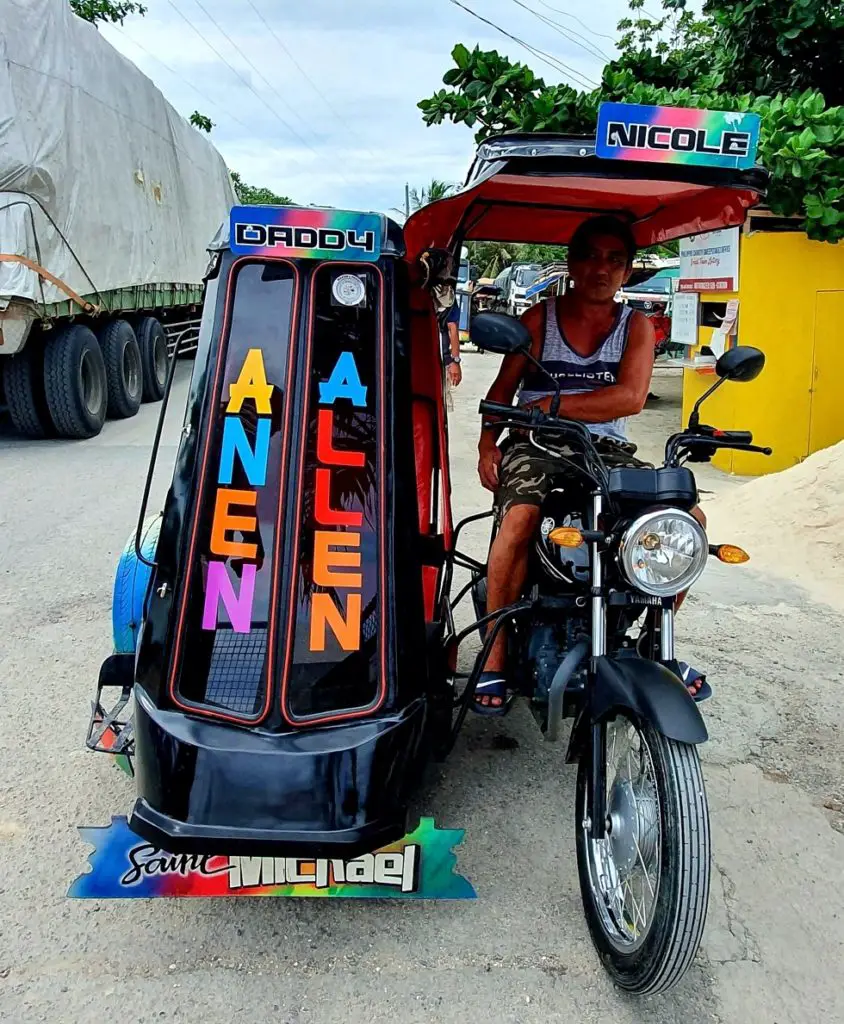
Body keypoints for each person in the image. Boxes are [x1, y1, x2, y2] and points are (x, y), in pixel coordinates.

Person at [474, 215, 707, 714]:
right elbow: (499, 393)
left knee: (686, 522)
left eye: (615, 260)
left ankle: (655, 642)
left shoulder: (636, 325)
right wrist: (487, 445)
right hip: (535, 445)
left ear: (627, 271)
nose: (602, 269)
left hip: (604, 449)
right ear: (574, 263)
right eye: (592, 257)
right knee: (518, 520)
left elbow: (630, 398)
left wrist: (552, 406)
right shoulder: (539, 317)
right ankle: (493, 655)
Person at [441, 302, 463, 388]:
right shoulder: (445, 292)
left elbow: (452, 326)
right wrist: (455, 361)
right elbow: (452, 326)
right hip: (439, 357)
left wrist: (455, 361)